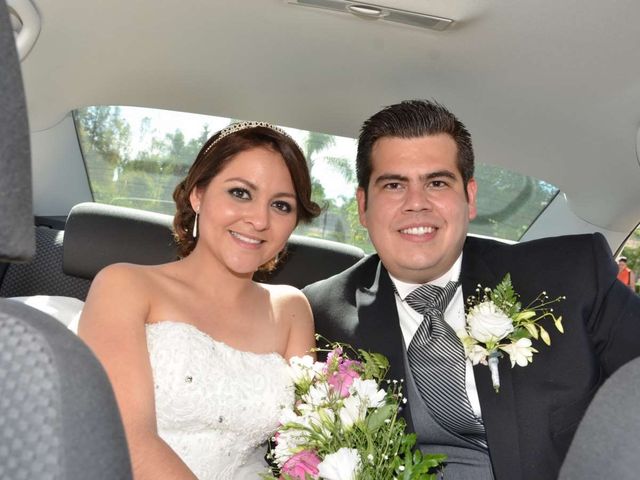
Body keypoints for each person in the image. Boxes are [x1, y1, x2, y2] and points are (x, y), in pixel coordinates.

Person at [303, 100, 640, 480]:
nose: (417, 203)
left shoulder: (571, 277)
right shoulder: (319, 313)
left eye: (437, 183)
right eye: (394, 185)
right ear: (363, 206)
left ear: (471, 197)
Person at [78, 121, 321, 480]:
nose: (258, 219)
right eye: (240, 193)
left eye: (281, 205)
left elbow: (306, 449)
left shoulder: (292, 310)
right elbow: (125, 437)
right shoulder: (124, 286)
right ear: (198, 195)